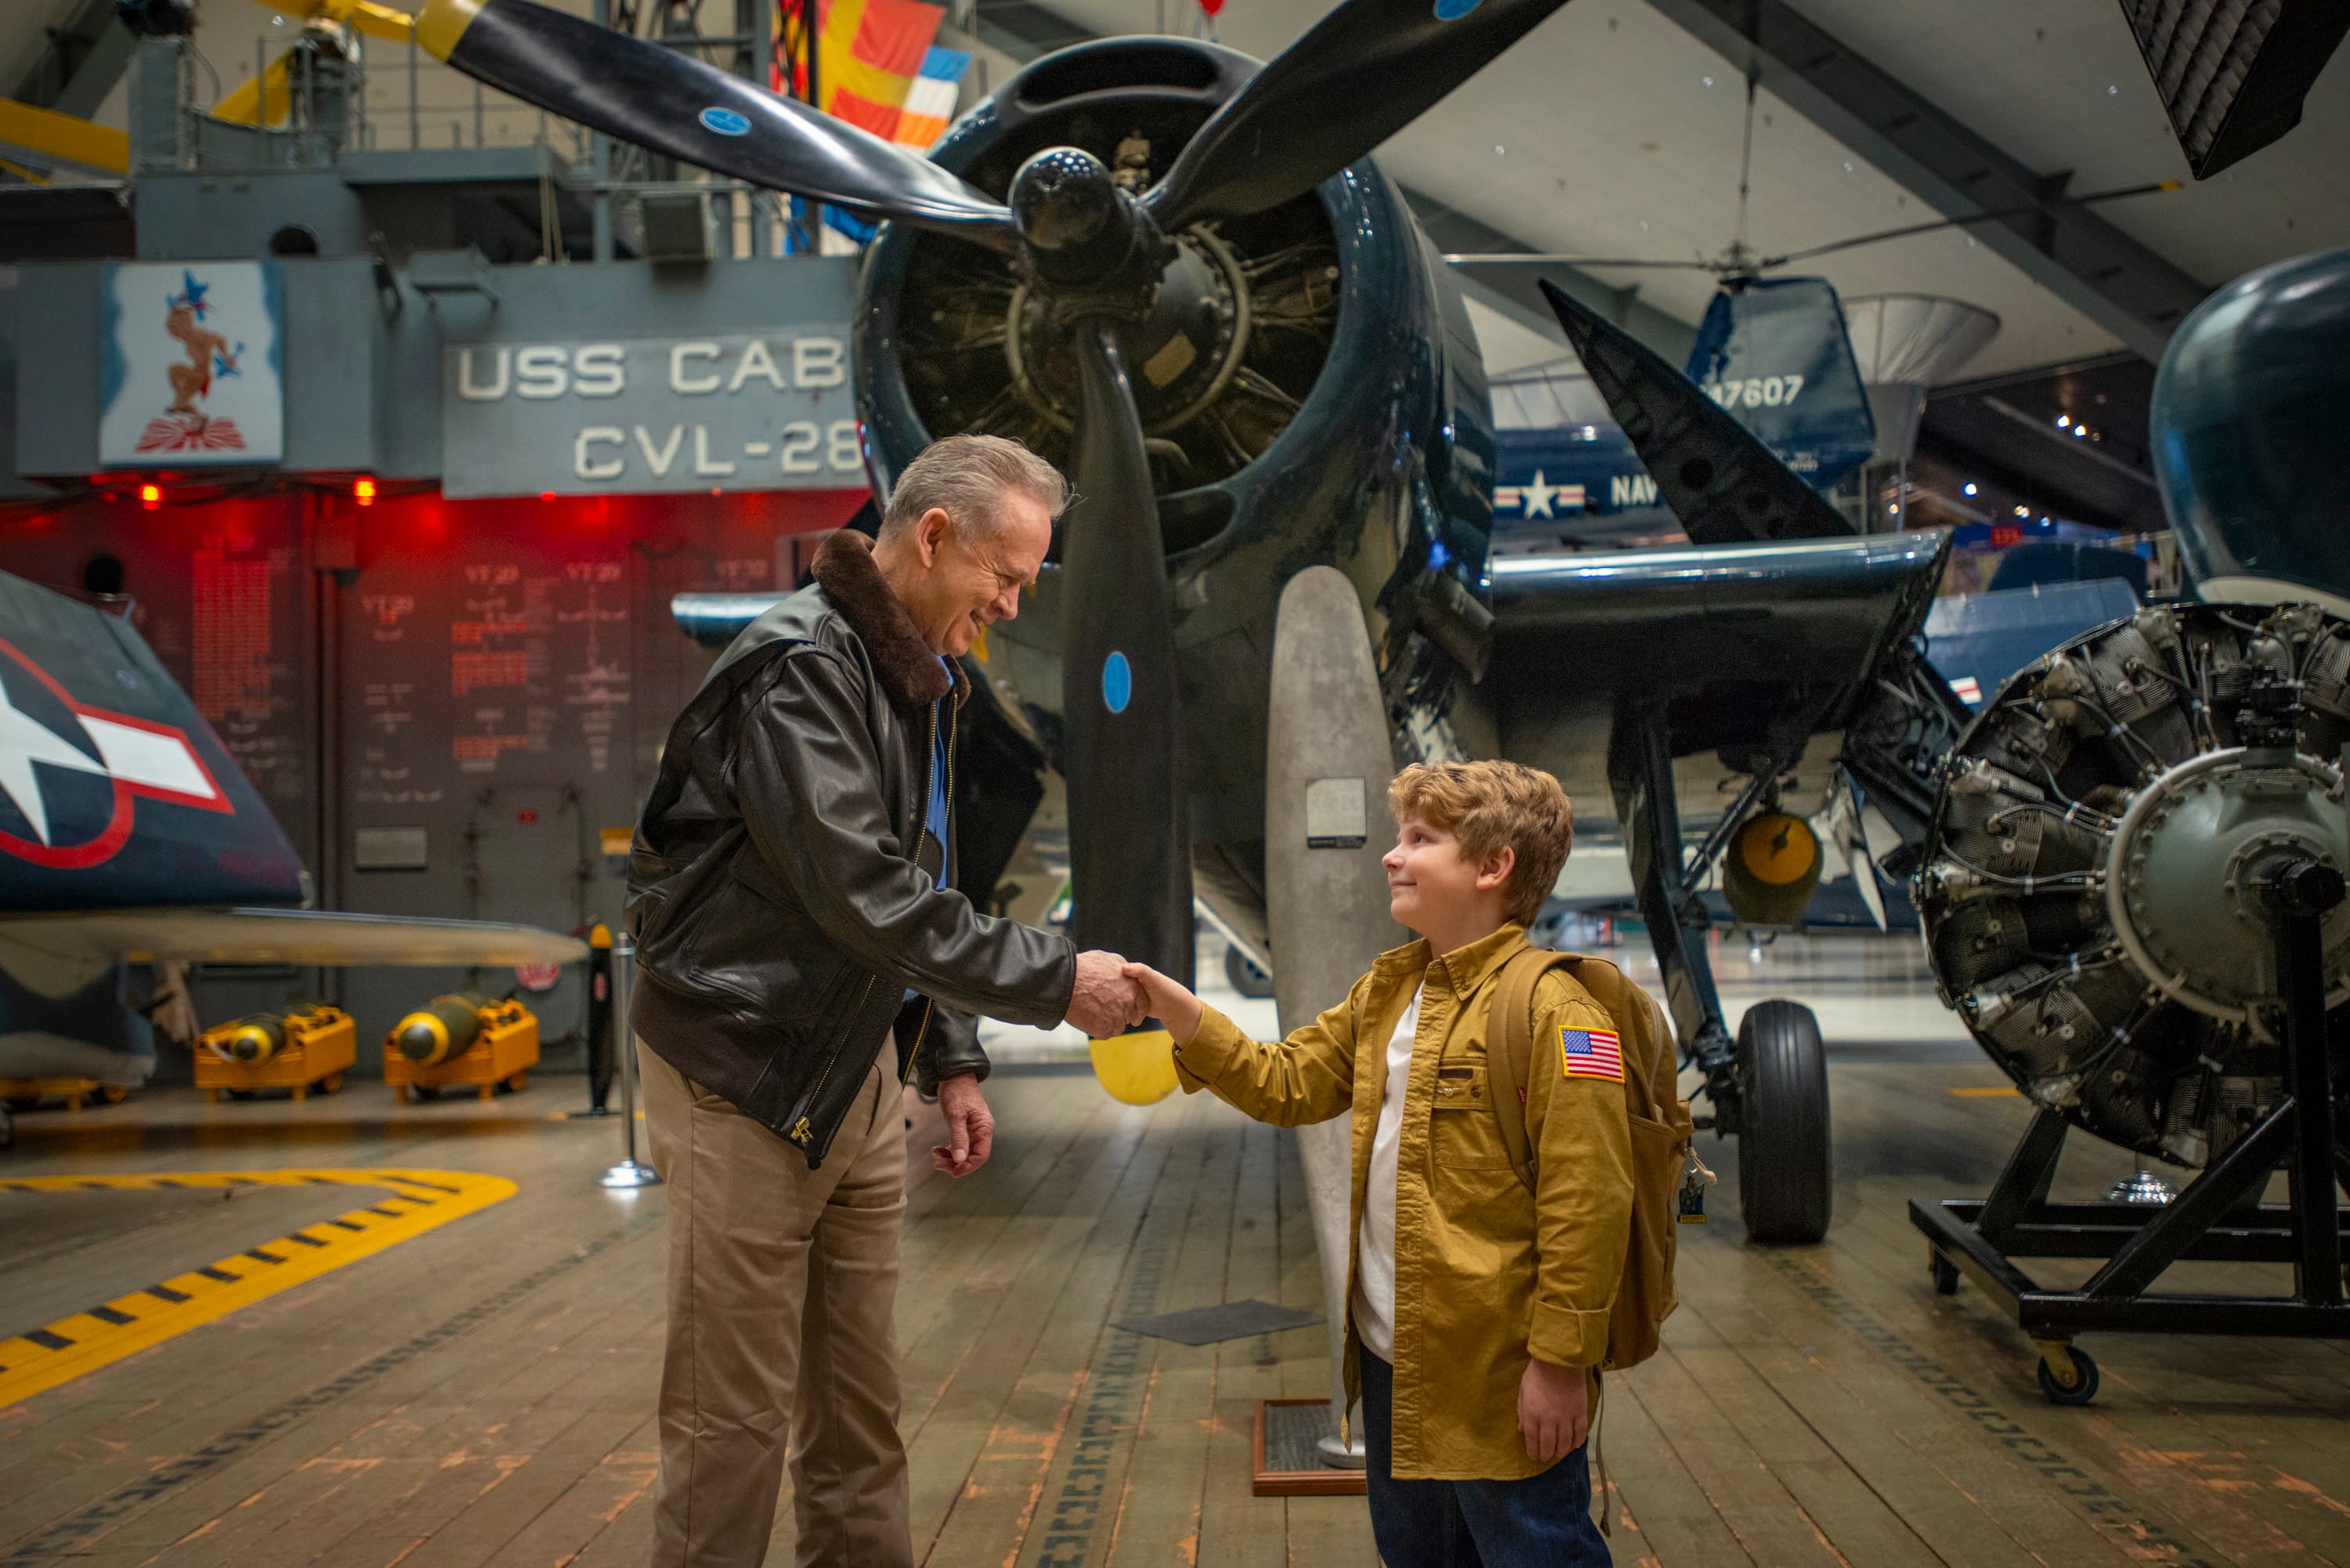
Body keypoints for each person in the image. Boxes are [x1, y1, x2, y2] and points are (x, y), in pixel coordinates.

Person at [625, 432, 1147, 1568]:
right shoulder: (800, 668)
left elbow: (923, 870)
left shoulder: (919, 679)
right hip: (748, 1074)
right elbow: (858, 891)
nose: (1010, 604)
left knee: (859, 1420)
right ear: (932, 536)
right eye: (1003, 576)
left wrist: (949, 1055)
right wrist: (1058, 980)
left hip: (852, 1069)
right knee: (733, 1430)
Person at [1123, 760, 1629, 1566]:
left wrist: (1561, 1365)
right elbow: (1285, 1081)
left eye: (1421, 839)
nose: (1392, 856)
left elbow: (1590, 1202)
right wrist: (1179, 1012)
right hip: (1392, 1360)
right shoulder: (1389, 993)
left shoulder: (1555, 1011)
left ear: (1493, 866)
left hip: (1496, 1369)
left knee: (1537, 1550)